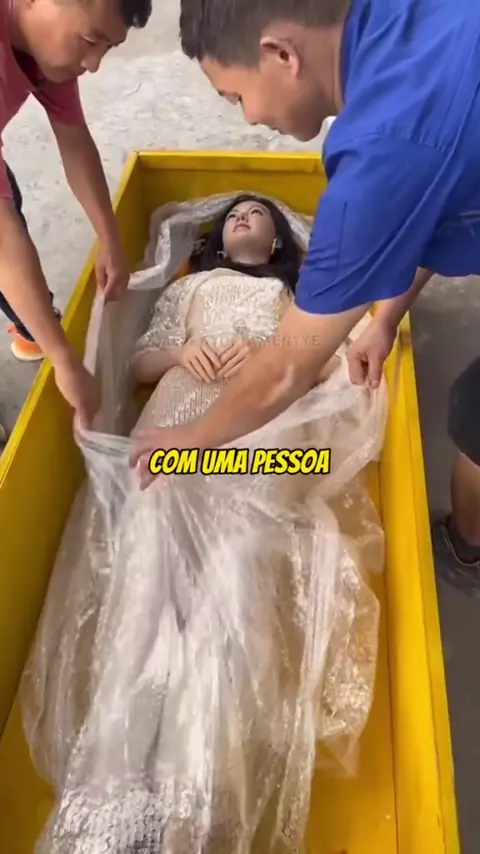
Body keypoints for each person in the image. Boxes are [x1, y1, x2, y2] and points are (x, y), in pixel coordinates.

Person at [21, 194, 384, 852]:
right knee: (145, 597)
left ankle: (196, 812)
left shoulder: (292, 299)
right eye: (233, 214)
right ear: (216, 242)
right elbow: (137, 364)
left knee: (234, 589)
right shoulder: (191, 288)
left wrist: (272, 359)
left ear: (277, 244)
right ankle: (110, 803)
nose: (241, 216)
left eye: (256, 214)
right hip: (171, 432)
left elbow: (335, 363)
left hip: (259, 444)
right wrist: (181, 353)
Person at [129, 0, 480, 591]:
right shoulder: (405, 23)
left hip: (255, 437)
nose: (247, 119)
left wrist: (187, 441)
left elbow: (287, 370)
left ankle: (468, 548)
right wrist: (385, 318)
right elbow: (428, 207)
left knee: (470, 412)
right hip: (204, 413)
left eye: (237, 96)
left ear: (281, 54)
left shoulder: (374, 165)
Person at [0, 0, 152, 438]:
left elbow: (74, 139)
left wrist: (111, 239)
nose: (94, 64)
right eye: (89, 41)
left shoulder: (48, 52)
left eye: (107, 47)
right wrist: (65, 360)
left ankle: (30, 322)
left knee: (9, 198)